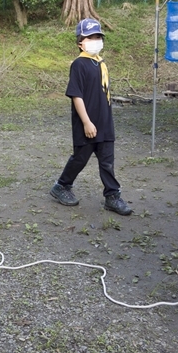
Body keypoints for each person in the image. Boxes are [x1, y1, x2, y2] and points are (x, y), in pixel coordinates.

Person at [50, 18, 132, 216]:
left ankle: (112, 196)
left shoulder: (100, 64)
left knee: (107, 162)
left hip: (104, 123)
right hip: (87, 124)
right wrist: (86, 122)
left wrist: (105, 121)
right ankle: (61, 186)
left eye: (98, 37)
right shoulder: (79, 65)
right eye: (90, 37)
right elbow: (76, 95)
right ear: (80, 42)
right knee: (80, 159)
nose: (95, 40)